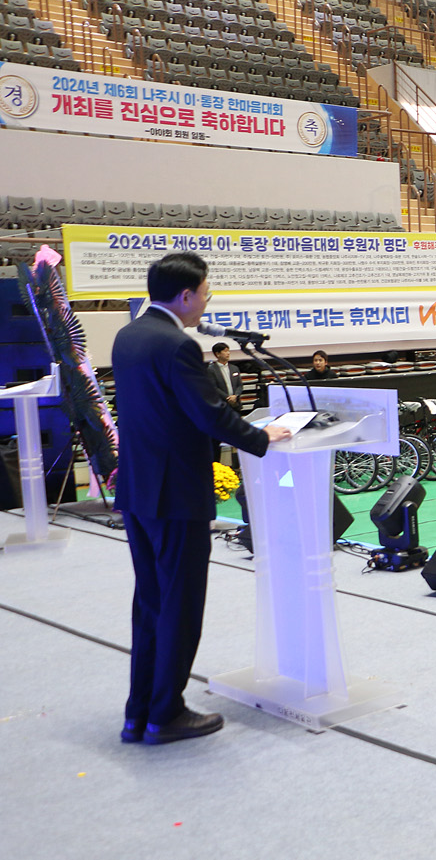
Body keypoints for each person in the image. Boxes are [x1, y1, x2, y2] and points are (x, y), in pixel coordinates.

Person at [112, 252, 290, 745]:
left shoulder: (129, 336)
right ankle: (165, 713)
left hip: (140, 490)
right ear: (186, 295)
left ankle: (140, 711)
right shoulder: (178, 346)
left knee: (150, 603)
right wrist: (263, 436)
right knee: (180, 605)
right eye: (206, 293)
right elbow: (209, 414)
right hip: (176, 496)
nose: (207, 302)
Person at [206, 342, 244, 408]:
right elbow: (214, 387)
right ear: (218, 354)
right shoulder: (211, 370)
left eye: (228, 351)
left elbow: (239, 385)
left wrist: (236, 396)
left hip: (236, 403)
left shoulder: (234, 368)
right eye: (225, 351)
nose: (228, 353)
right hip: (221, 404)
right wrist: (227, 398)